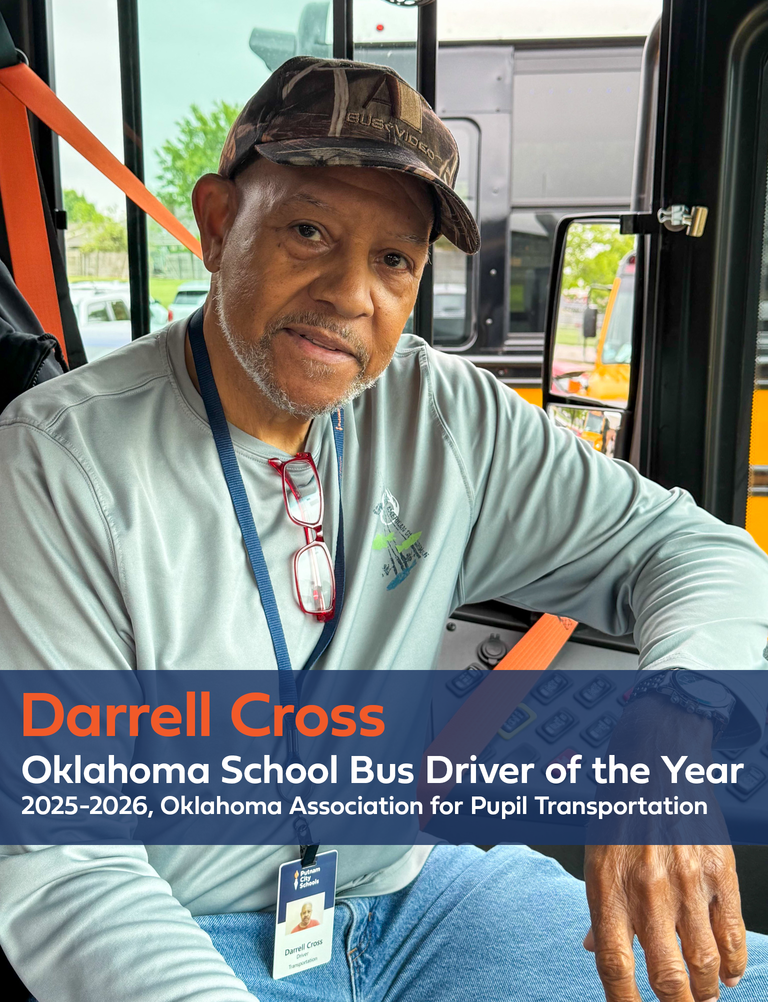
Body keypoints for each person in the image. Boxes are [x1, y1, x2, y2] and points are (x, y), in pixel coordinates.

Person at [0, 55, 767, 1002]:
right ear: (216, 222)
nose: (350, 294)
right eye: (309, 230)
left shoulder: (444, 415)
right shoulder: (61, 458)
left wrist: (673, 731)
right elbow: (68, 863)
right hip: (187, 929)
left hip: (412, 895)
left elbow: (695, 549)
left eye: (394, 260)